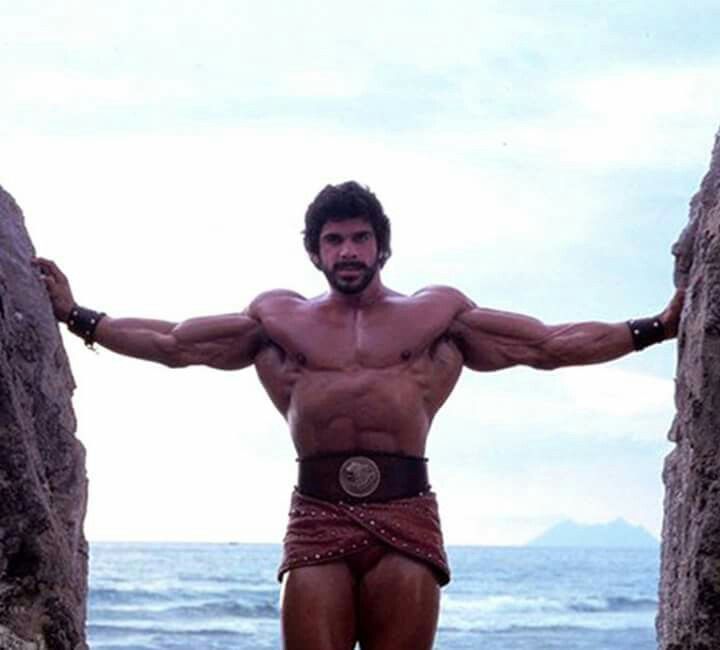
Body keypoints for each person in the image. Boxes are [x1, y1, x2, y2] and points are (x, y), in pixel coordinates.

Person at [33, 181, 684, 650]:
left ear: (382, 249)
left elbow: (546, 344)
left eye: (361, 238)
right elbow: (176, 342)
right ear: (315, 253)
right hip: (317, 510)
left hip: (406, 510)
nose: (348, 250)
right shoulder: (278, 320)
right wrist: (77, 315)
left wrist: (655, 327)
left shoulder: (435, 315)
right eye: (334, 240)